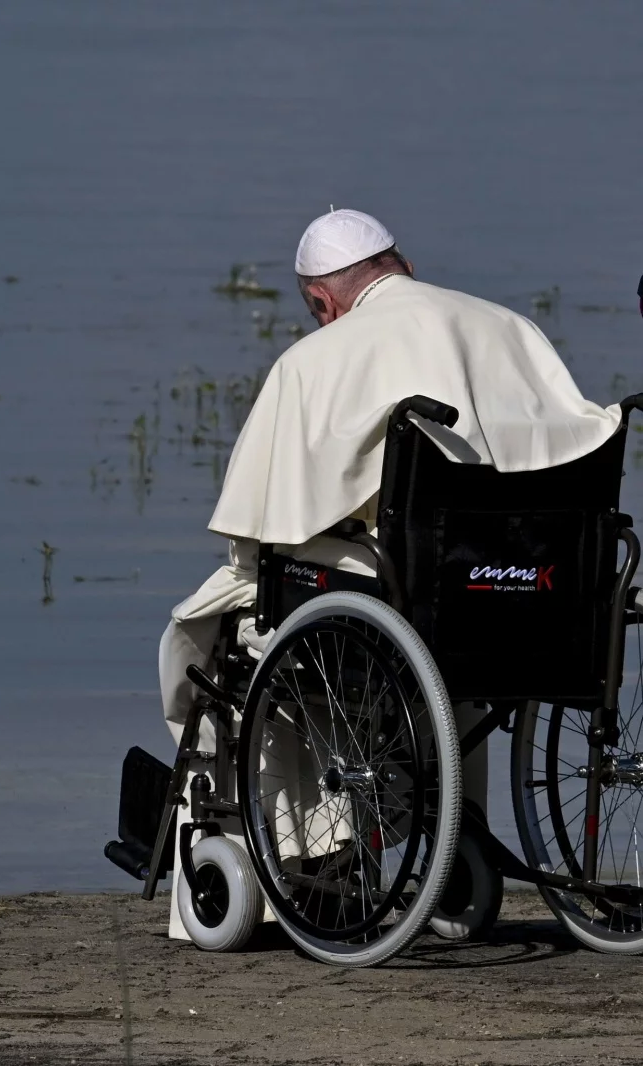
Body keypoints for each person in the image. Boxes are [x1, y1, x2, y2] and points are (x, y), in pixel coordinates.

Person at [157, 209, 621, 849]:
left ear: (322, 300)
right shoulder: (513, 330)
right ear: (404, 267)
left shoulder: (314, 360)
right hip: (535, 598)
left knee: (227, 625)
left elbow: (256, 540)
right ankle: (456, 835)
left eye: (317, 310)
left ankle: (305, 850)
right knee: (438, 612)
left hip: (414, 607)